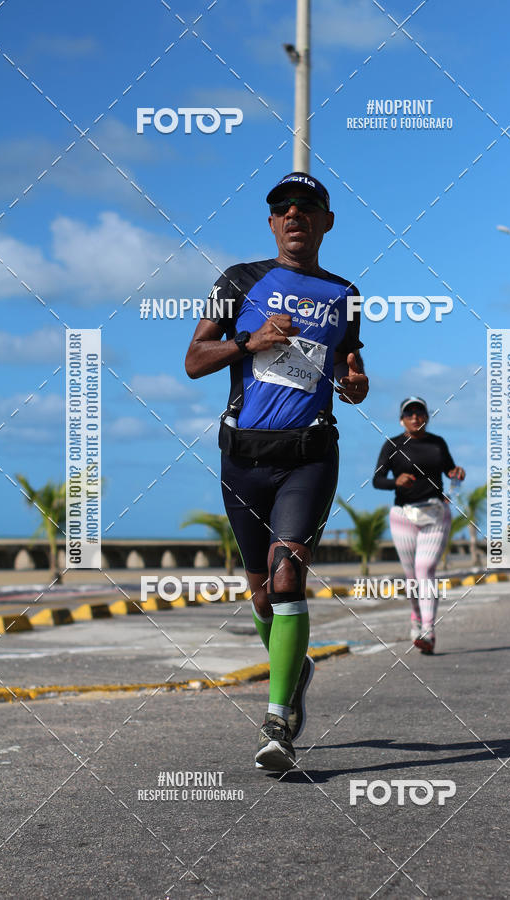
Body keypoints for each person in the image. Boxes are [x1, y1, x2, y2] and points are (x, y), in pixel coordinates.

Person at [185, 172, 368, 771]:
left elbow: (349, 364)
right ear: (271, 223)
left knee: (286, 574)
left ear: (326, 221)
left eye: (308, 207)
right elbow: (193, 360)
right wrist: (251, 341)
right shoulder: (236, 282)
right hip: (243, 458)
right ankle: (298, 668)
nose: (295, 215)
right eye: (283, 208)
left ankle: (275, 724)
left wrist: (355, 381)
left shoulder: (347, 294)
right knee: (261, 594)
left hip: (309, 455)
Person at [372, 397, 465, 654]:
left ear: (426, 416)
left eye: (419, 412)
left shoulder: (438, 443)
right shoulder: (393, 445)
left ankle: (428, 630)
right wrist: (396, 482)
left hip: (435, 513)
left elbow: (449, 469)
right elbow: (377, 480)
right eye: (409, 413)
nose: (415, 417)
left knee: (425, 569)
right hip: (403, 516)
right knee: (412, 577)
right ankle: (416, 616)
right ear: (402, 419)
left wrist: (456, 472)